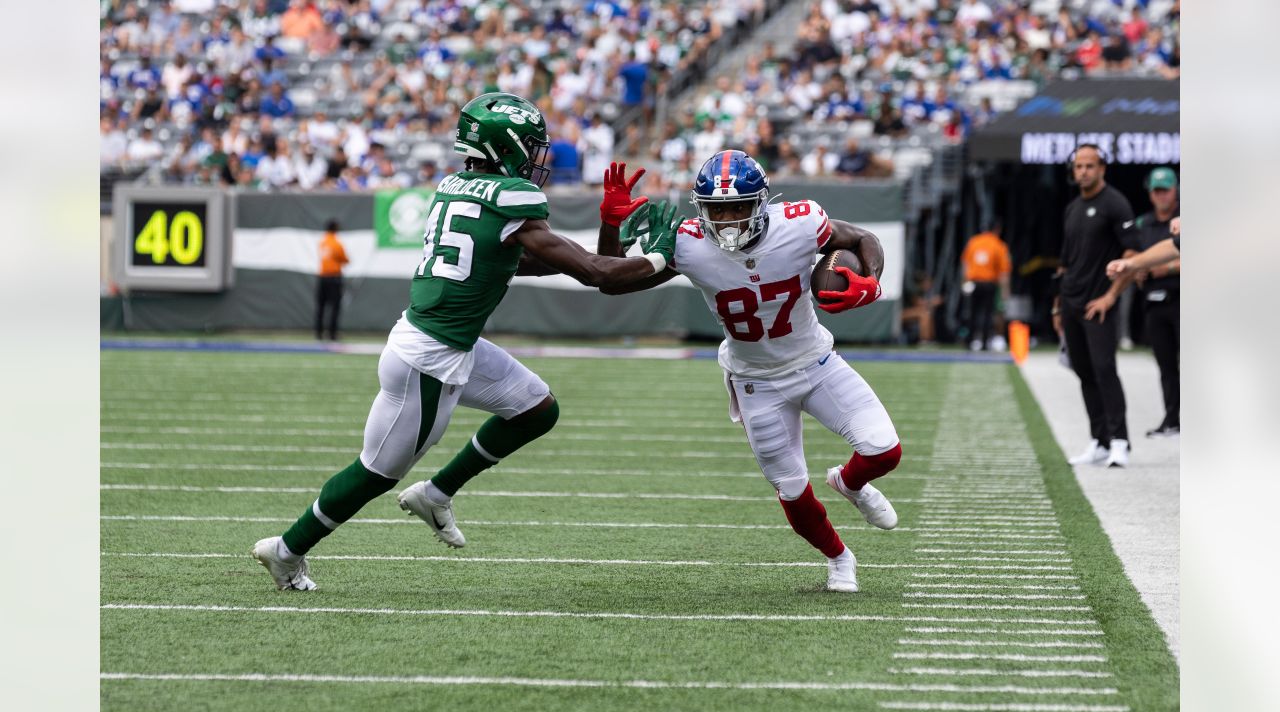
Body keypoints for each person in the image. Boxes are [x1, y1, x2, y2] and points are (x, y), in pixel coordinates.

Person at [252, 93, 676, 590]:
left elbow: (575, 267)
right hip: (430, 359)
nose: (538, 159)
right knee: (376, 474)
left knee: (537, 408)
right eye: (532, 147)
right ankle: (285, 550)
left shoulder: (458, 188)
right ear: (507, 145)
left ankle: (435, 493)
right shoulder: (510, 198)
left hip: (450, 343)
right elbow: (597, 275)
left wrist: (608, 229)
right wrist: (661, 258)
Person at [600, 150, 902, 593]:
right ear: (701, 210)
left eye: (738, 207)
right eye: (717, 211)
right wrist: (610, 225)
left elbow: (861, 238)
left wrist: (871, 280)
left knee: (885, 451)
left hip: (815, 362)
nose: (727, 221)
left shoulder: (799, 223)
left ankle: (849, 483)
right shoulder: (687, 242)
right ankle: (840, 560)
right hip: (755, 380)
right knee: (792, 489)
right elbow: (611, 279)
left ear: (761, 203)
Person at [1052, 144, 1138, 469]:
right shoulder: (1073, 207)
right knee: (1084, 372)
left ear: (1102, 168)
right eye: (1079, 166)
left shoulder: (1115, 203)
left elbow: (1132, 256)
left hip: (1098, 303)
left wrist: (1111, 296)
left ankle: (1120, 442)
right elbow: (1065, 262)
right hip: (1071, 304)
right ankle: (1099, 441)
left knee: (1105, 370)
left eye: (1090, 165)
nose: (1084, 171)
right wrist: (1057, 307)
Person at [1126, 168, 1180, 437]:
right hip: (1153, 301)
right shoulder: (1142, 224)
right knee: (1165, 364)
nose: (1161, 196)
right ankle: (1172, 419)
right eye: (1156, 191)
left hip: (1182, 299)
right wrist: (1136, 268)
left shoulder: (1182, 221)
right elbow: (1134, 253)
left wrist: (1165, 268)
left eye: (1166, 190)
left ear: (1176, 191)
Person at [960, 220, 1011, 351]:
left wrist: (964, 281)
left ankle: (969, 340)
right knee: (988, 314)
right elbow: (1004, 271)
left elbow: (965, 264)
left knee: (972, 312)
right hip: (989, 283)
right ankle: (983, 342)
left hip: (973, 283)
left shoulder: (974, 242)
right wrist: (1005, 291)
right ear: (997, 230)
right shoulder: (999, 245)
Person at [315, 219, 349, 341]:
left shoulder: (322, 242)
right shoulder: (336, 243)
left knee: (321, 306)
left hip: (322, 277)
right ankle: (332, 333)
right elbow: (345, 259)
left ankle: (318, 333)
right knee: (335, 307)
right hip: (334, 278)